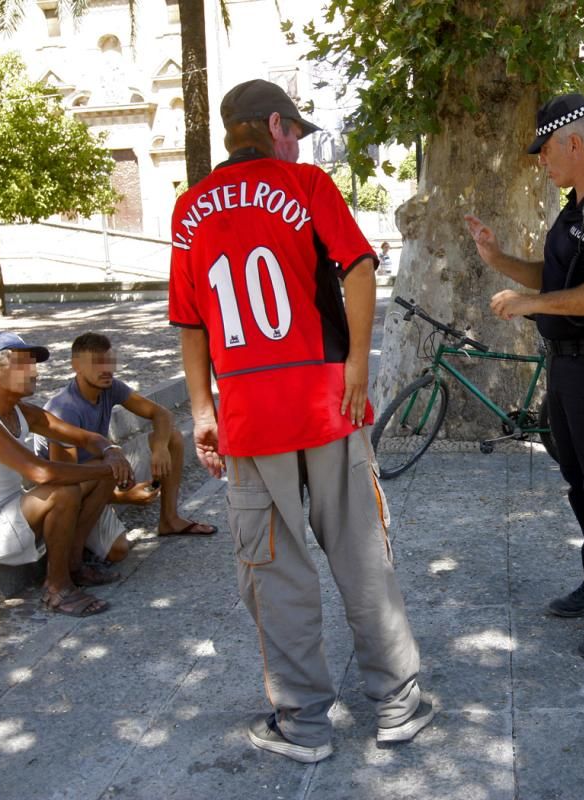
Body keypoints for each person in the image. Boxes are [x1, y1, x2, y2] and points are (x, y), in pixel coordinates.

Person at [168, 78, 433, 763]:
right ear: (275, 125)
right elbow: (360, 268)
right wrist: (355, 367)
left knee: (274, 574)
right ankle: (399, 707)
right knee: (362, 557)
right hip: (327, 406)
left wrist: (203, 411)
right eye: (297, 131)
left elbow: (191, 321)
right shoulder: (307, 185)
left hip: (249, 419)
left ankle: (304, 726)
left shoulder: (189, 208)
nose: (300, 143)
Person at [465, 93, 584, 661]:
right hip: (570, 365)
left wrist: (532, 303)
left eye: (545, 149)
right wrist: (500, 259)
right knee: (580, 482)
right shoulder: (579, 208)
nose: (541, 161)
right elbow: (555, 278)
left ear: (574, 142)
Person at [0, 333, 135, 616]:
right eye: (22, 365)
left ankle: (74, 564)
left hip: (13, 517)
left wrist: (111, 450)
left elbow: (86, 438)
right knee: (63, 489)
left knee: (97, 473)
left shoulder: (21, 412)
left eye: (33, 365)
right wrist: (110, 466)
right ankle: (58, 588)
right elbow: (41, 472)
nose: (34, 372)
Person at [34, 332, 216, 565]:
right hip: (75, 487)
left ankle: (169, 519)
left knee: (171, 436)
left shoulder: (110, 387)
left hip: (103, 470)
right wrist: (122, 497)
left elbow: (161, 413)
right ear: (76, 366)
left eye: (110, 361)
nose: (107, 369)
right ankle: (73, 551)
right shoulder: (64, 409)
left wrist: (160, 448)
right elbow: (67, 484)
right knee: (118, 551)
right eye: (98, 363)